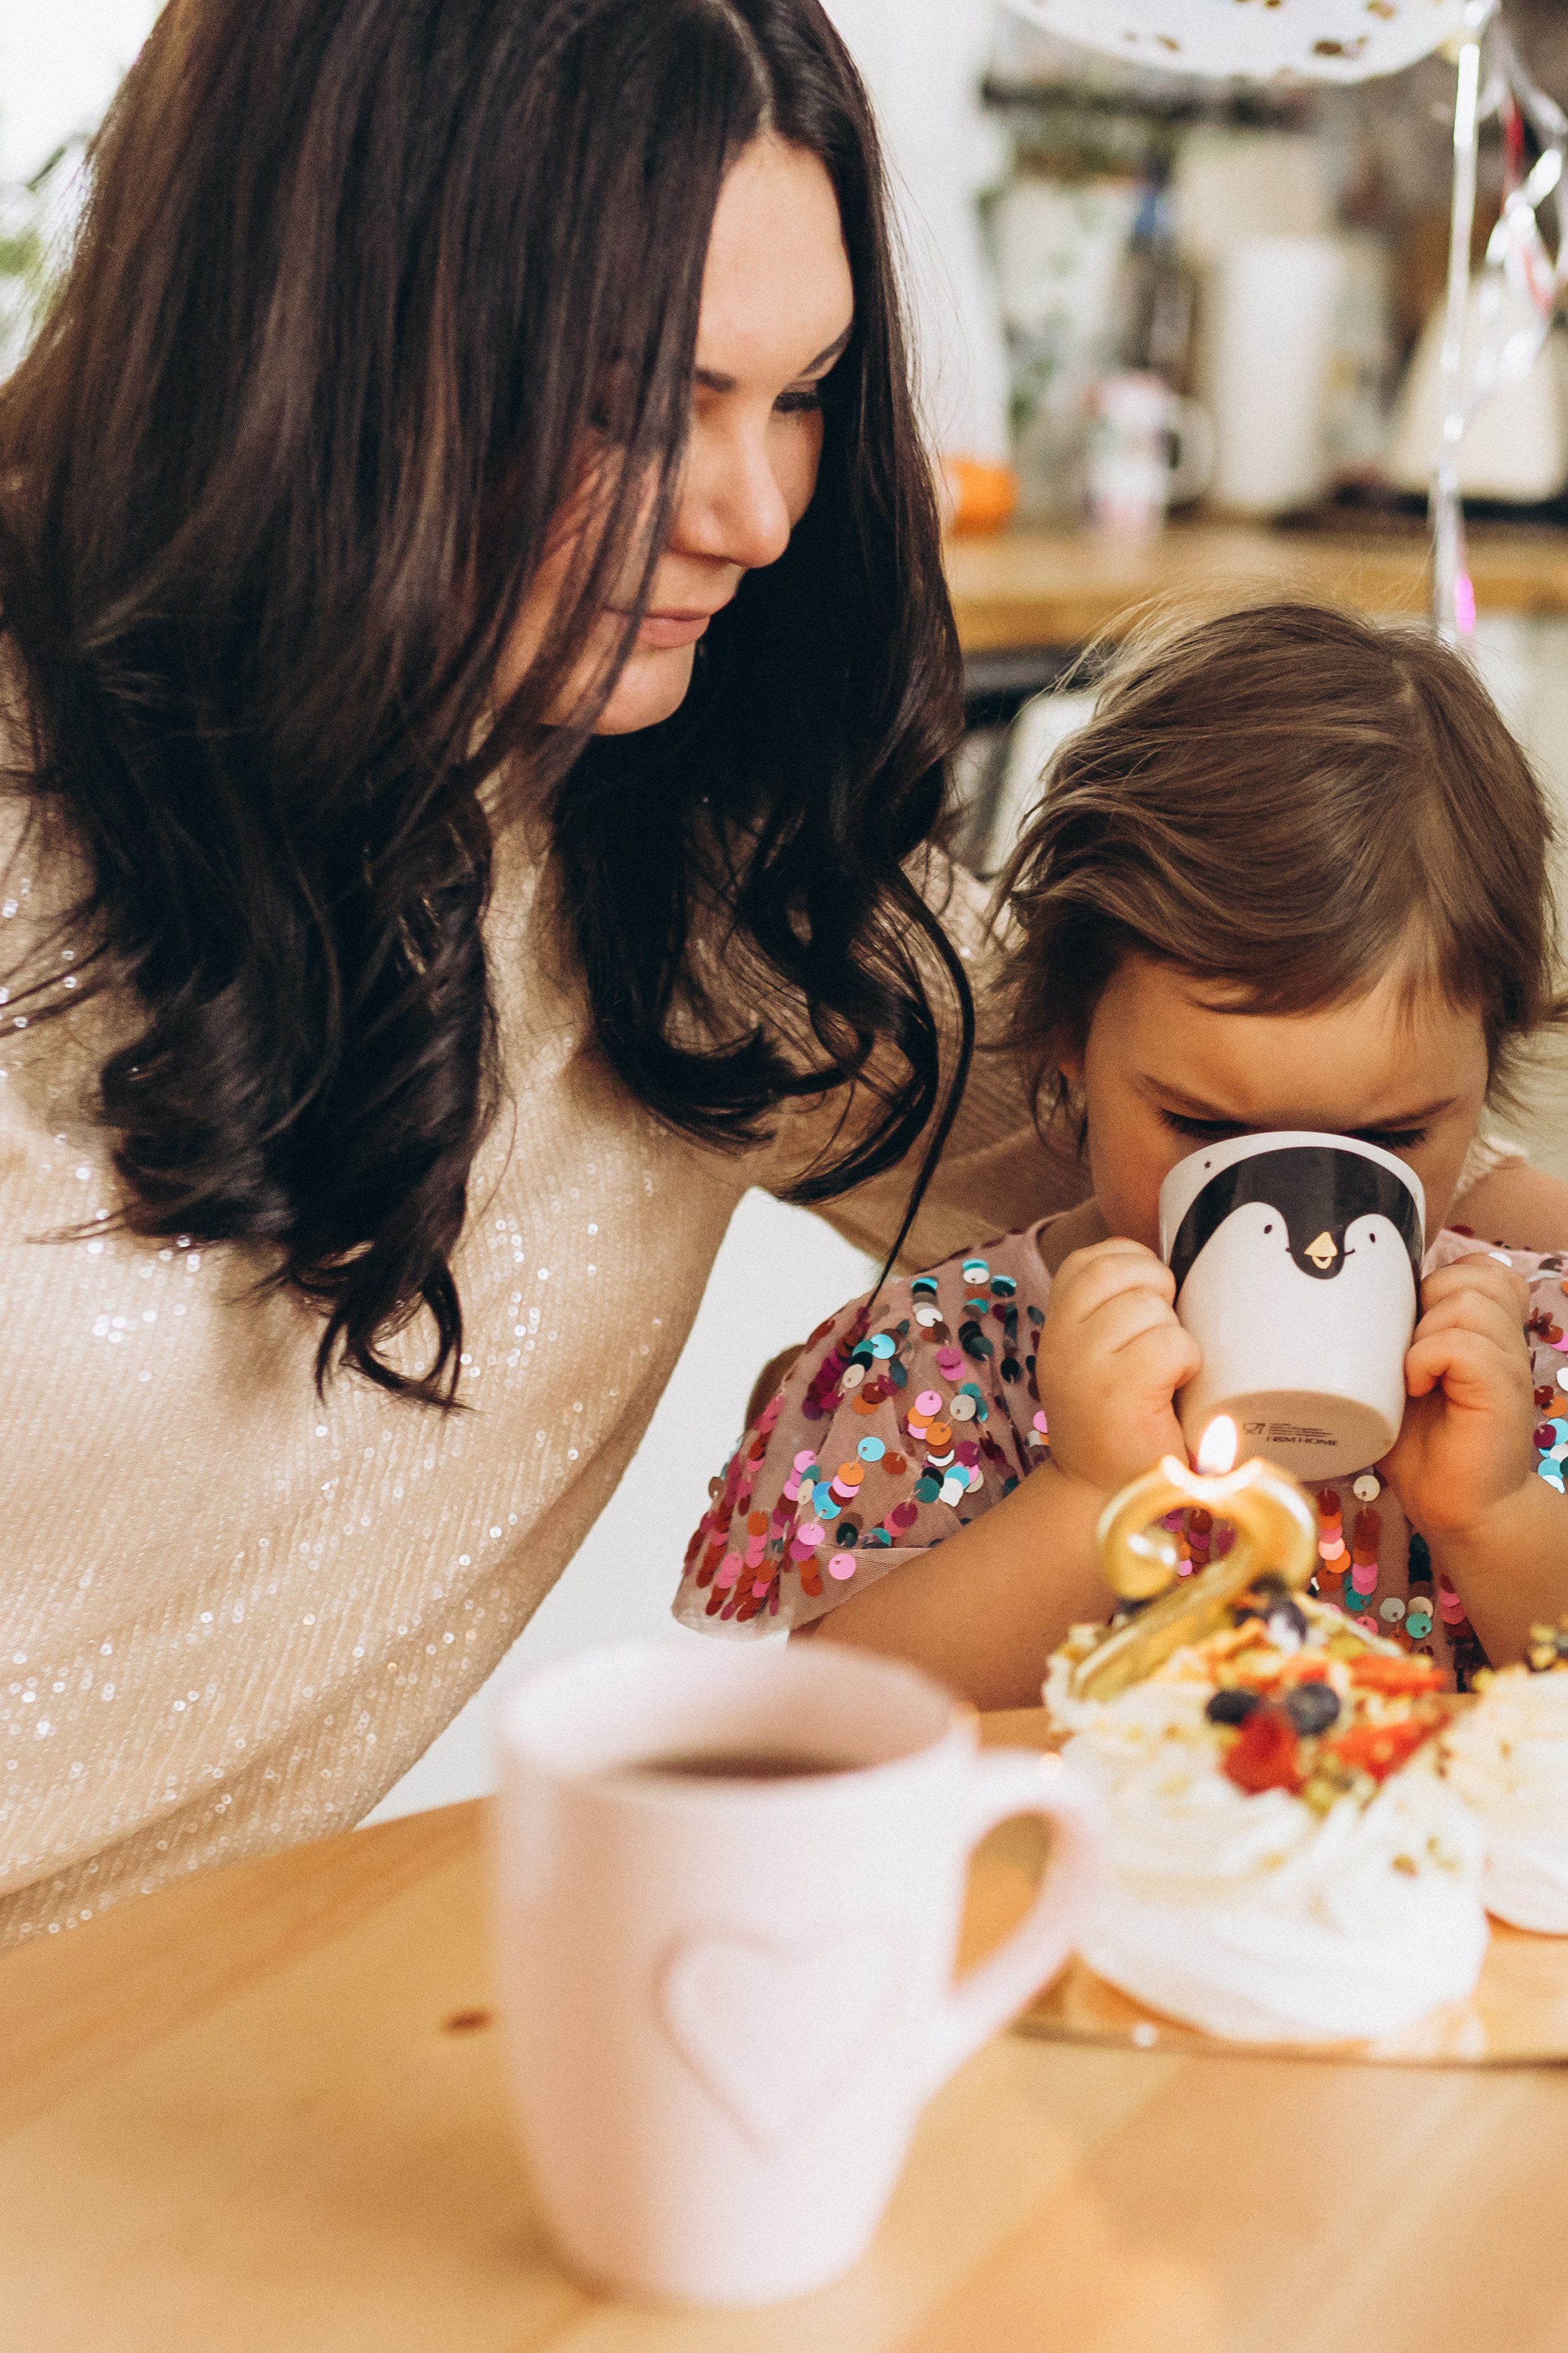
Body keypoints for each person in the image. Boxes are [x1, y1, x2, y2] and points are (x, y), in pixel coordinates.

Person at [0, 0, 1114, 1945]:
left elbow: (1268, 1128)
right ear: (317, 338)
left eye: (804, 394)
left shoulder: (705, 891)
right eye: (635, 402)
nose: (756, 512)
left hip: (176, 2108)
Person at [675, 602, 1568, 1706]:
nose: (1300, 1215)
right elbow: (853, 1714)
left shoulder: (1523, 1361)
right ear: (1067, 1041)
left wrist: (1500, 1514)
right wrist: (1088, 1491)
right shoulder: (954, 1360)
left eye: (1384, 1140)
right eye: (1202, 1128)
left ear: (1486, 1079)